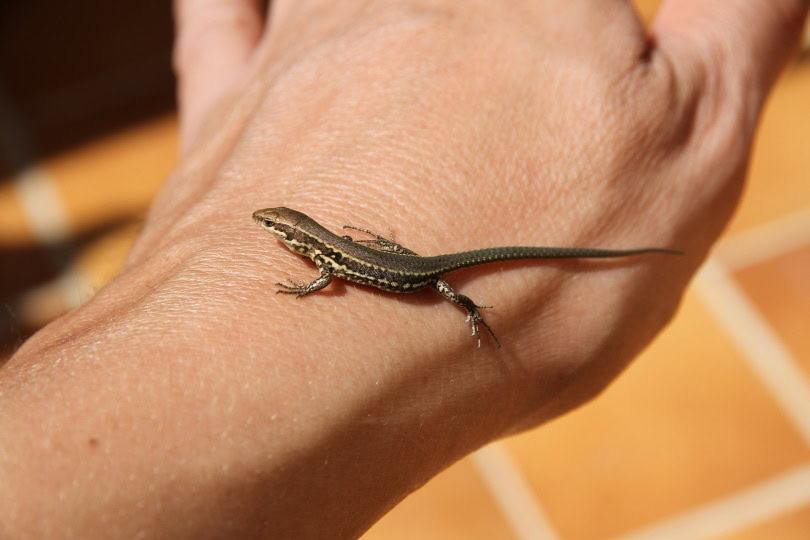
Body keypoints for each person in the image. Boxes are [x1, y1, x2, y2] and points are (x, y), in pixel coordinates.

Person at [1, 0, 806, 537]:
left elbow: (339, 277)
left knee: (454, 289)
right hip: (407, 265)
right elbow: (343, 269)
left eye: (277, 227)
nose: (275, 232)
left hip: (426, 275)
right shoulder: (323, 250)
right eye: (283, 229)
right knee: (431, 275)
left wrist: (456, 308)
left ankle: (478, 317)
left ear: (296, 238)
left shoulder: (326, 260)